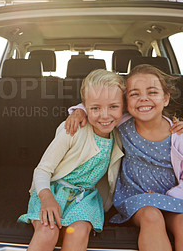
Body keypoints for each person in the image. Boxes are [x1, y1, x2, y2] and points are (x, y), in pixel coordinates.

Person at [65, 64, 183, 251]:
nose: (143, 98)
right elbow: (100, 105)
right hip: (136, 195)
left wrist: (171, 197)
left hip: (176, 196)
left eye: (152, 92)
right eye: (134, 94)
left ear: (165, 98)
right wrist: (80, 111)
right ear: (126, 102)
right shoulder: (122, 122)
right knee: (152, 217)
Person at [18, 69, 126, 251]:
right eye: (95, 108)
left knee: (78, 233)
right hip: (51, 191)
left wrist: (177, 125)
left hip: (85, 197)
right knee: (47, 231)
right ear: (85, 106)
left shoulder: (120, 132)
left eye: (113, 107)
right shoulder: (72, 129)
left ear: (124, 106)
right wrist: (47, 199)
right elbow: (42, 170)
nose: (105, 115)